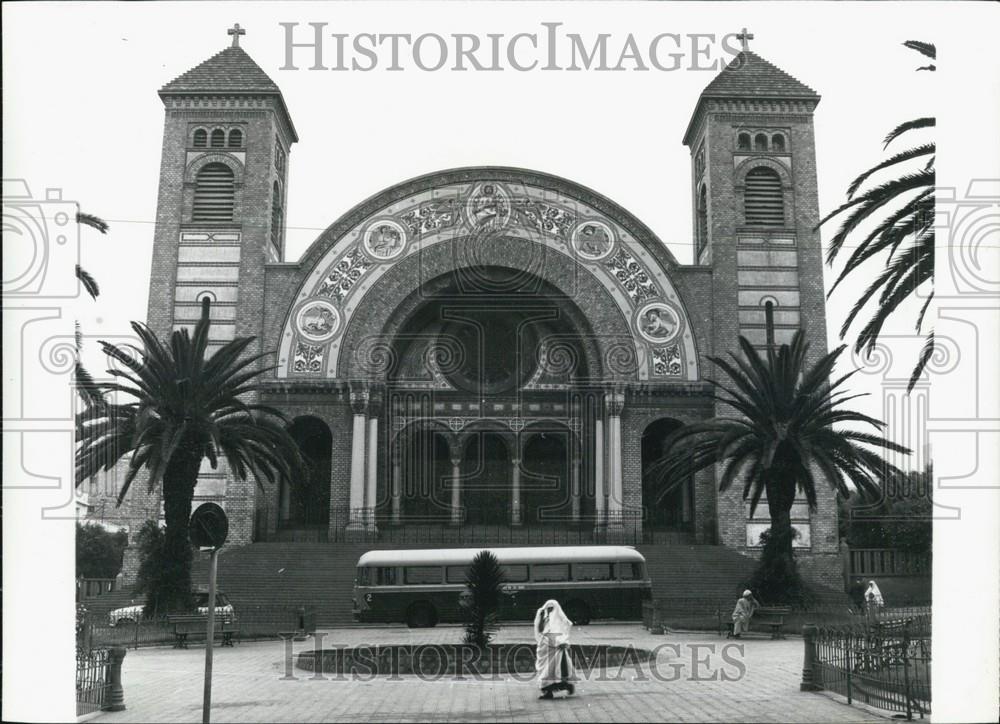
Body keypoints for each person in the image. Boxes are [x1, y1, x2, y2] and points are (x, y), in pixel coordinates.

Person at [534, 599, 576, 699]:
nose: (549, 611)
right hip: (546, 646)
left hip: (555, 647)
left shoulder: (558, 618)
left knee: (553, 669)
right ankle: (549, 691)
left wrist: (561, 642)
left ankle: (560, 687)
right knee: (547, 668)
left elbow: (563, 629)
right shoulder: (542, 614)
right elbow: (540, 630)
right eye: (548, 608)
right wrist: (541, 617)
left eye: (551, 609)